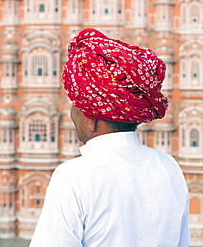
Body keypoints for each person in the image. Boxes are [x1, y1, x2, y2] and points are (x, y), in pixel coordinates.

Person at [29, 28, 191, 247]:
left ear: (91, 121)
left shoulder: (74, 176)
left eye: (76, 107)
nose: (71, 114)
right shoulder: (169, 167)